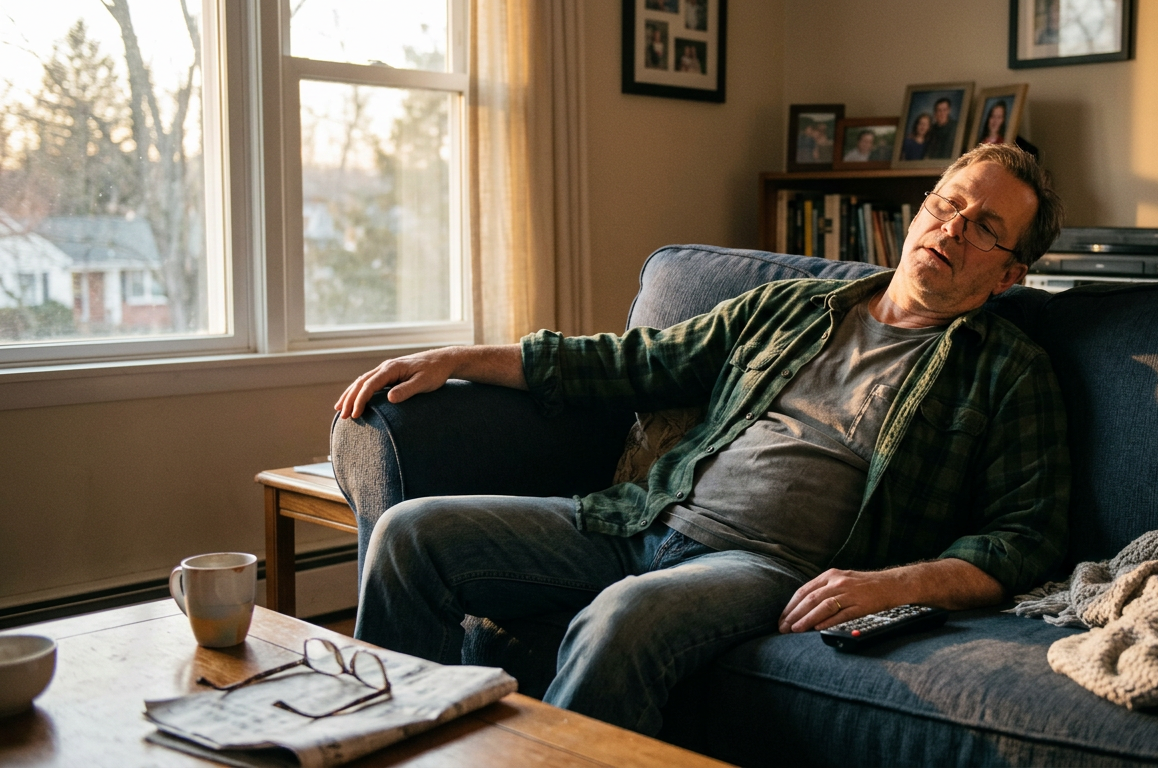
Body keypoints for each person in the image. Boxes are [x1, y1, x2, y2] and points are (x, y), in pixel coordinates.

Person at [337, 143, 1069, 738]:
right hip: (644, 518)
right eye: (948, 204)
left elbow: (1025, 537)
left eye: (985, 227)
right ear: (921, 208)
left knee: (621, 618)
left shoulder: (1007, 370)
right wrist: (456, 359)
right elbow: (633, 361)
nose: (952, 229)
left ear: (1009, 274)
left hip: (768, 567)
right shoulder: (793, 305)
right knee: (411, 534)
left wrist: (892, 585)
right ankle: (374, 745)